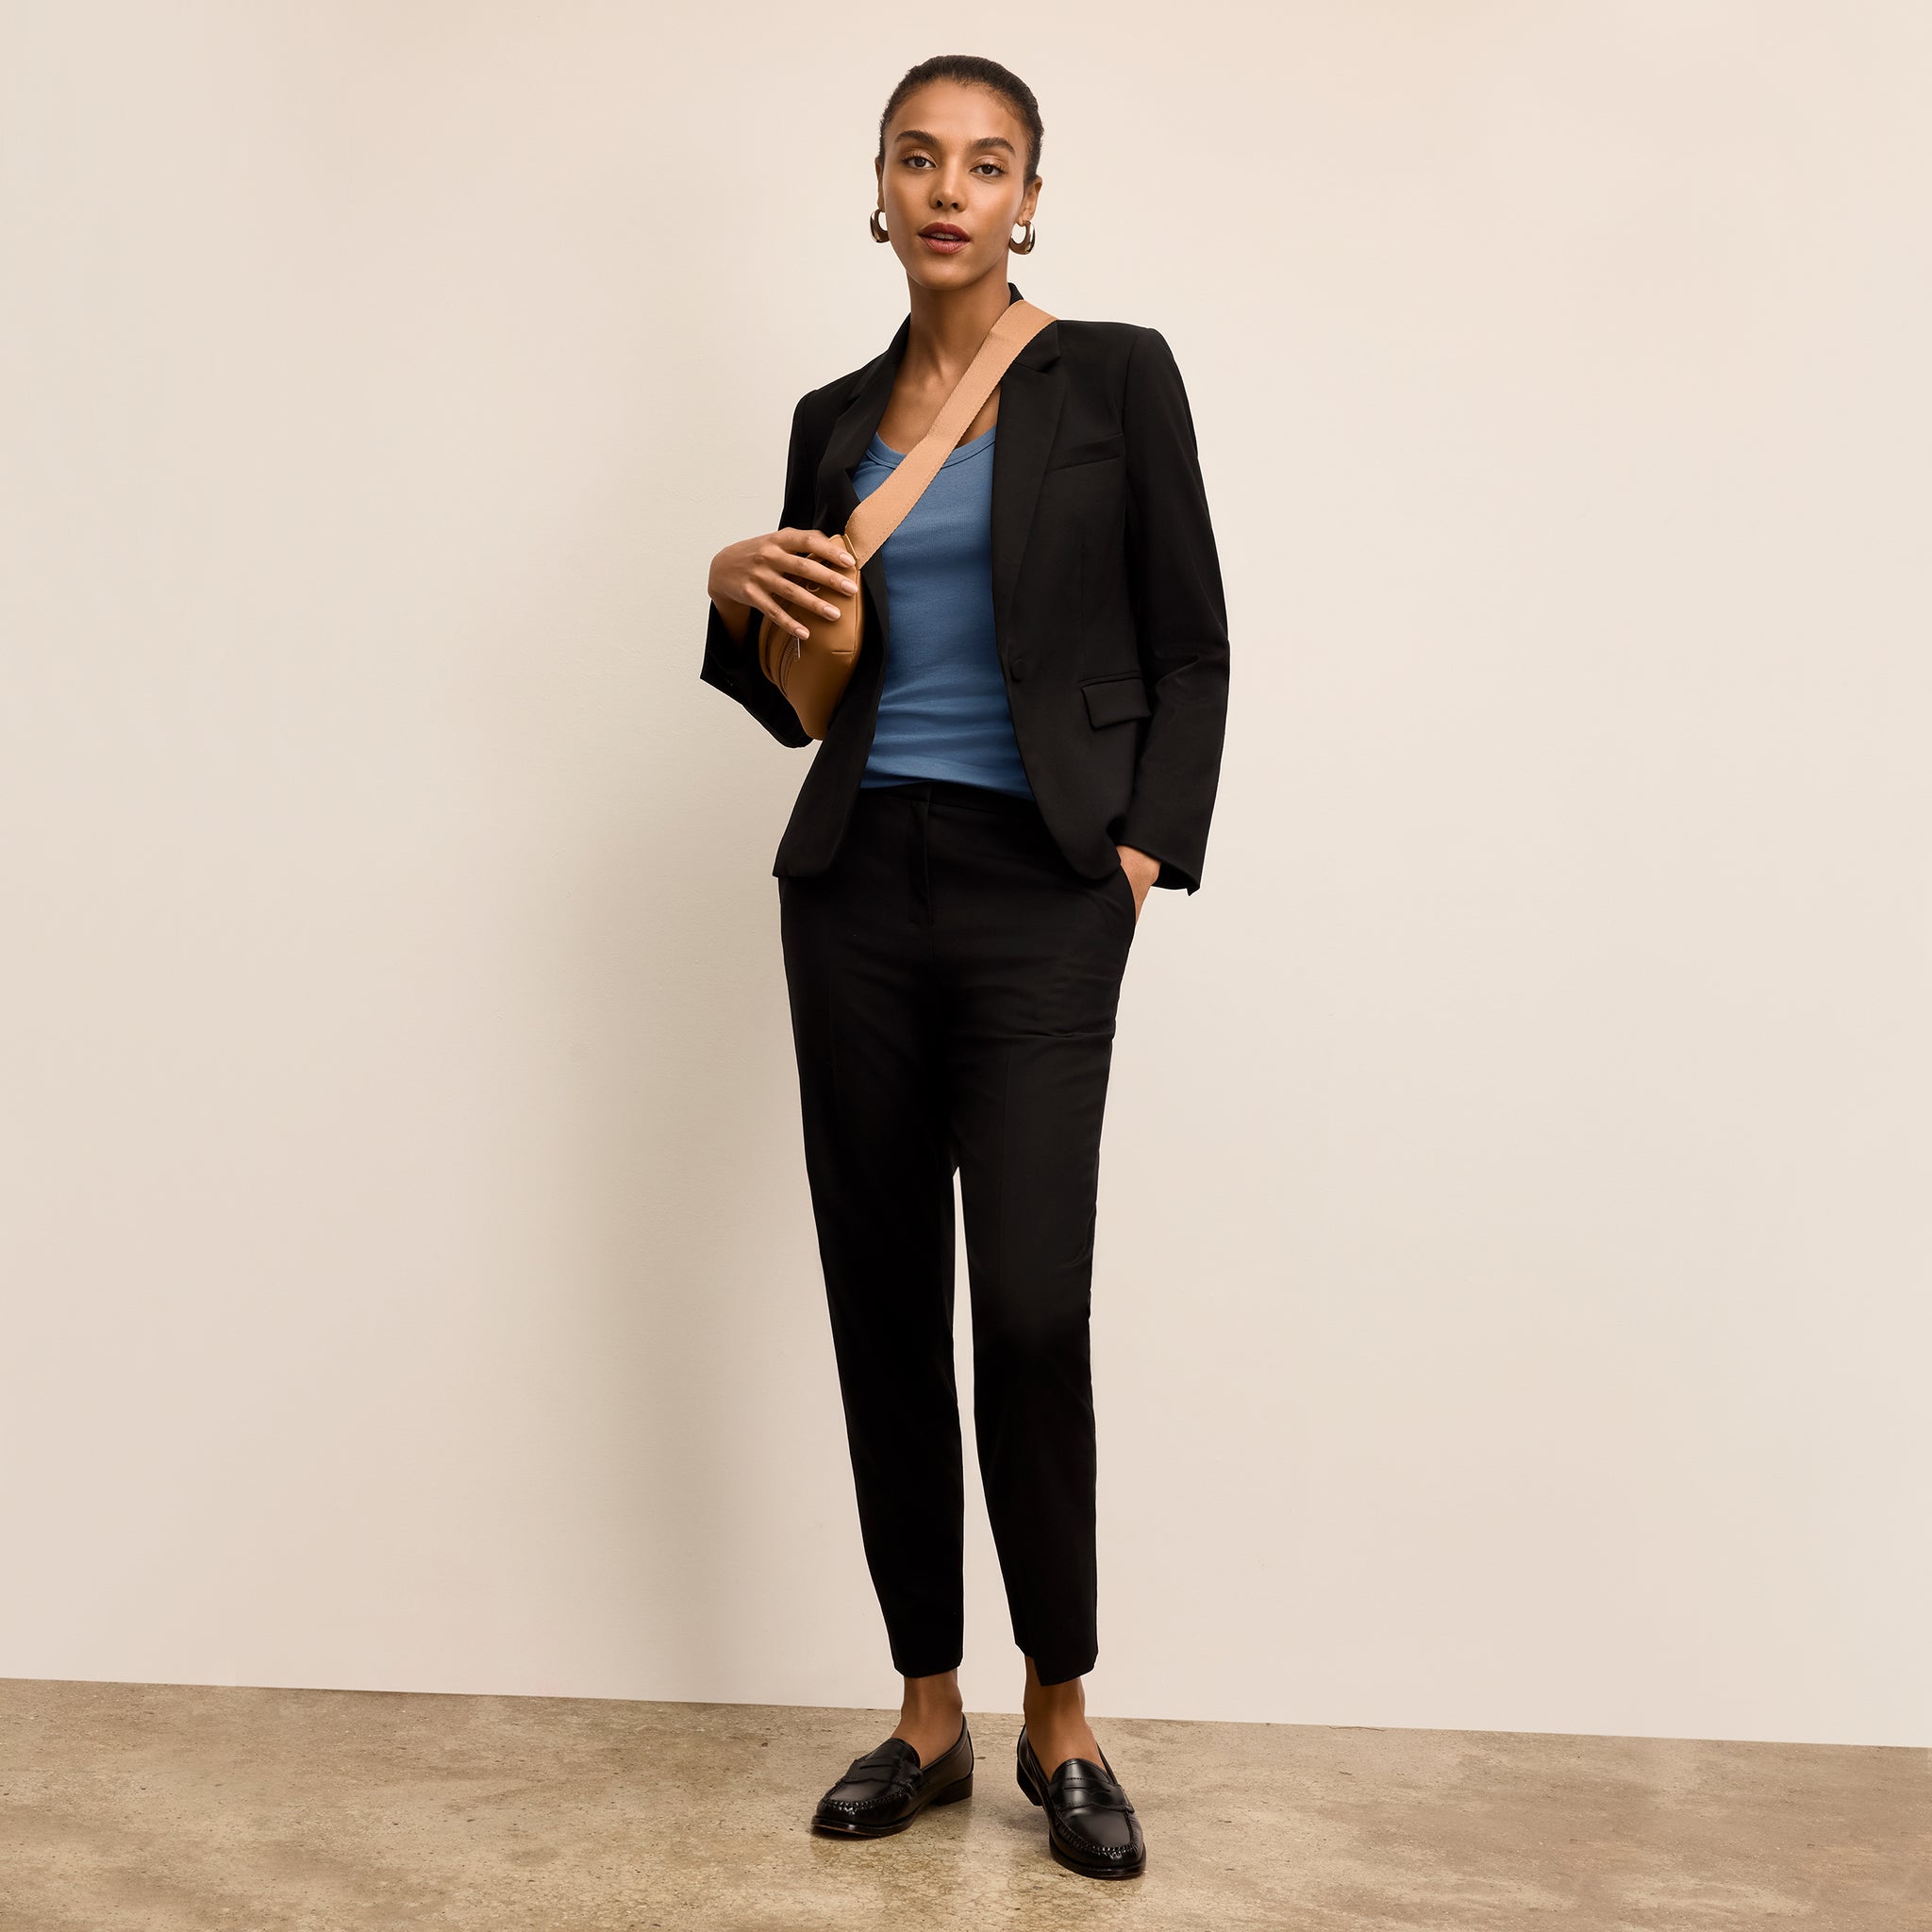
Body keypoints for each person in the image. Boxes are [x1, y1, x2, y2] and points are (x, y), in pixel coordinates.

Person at [699, 53, 1227, 1881]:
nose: (949, 188)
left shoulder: (1116, 377)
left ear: (1026, 196)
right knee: (878, 1306)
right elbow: (796, 706)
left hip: (1039, 889)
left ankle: (1058, 1717)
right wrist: (728, 587)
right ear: (877, 185)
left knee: (1026, 1312)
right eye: (918, 158)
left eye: (984, 163)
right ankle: (926, 1711)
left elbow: (1195, 643)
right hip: (853, 886)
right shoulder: (832, 415)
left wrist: (1135, 861)